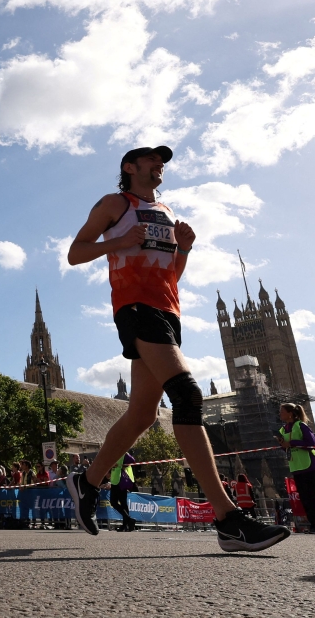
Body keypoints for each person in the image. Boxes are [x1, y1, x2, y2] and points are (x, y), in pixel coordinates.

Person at [64, 145, 290, 552]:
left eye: (163, 160)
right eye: (152, 159)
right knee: (186, 394)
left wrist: (184, 248)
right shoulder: (115, 203)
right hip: (134, 306)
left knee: (142, 414)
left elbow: (172, 275)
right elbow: (75, 253)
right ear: (130, 167)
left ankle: (87, 481)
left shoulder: (167, 212)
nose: (160, 165)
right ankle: (228, 520)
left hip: (168, 309)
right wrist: (116, 243)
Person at [278, 403, 315, 533]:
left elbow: (312, 444)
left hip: (308, 465)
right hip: (296, 466)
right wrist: (283, 445)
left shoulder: (301, 425)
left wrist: (292, 443)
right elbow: (288, 448)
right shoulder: (283, 429)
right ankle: (314, 525)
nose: (279, 414)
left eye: (282, 411)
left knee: (312, 496)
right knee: (304, 497)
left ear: (290, 413)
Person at [108, 453, 136, 531]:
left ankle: (126, 524)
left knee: (118, 503)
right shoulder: (113, 454)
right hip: (115, 480)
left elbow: (132, 460)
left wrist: (123, 465)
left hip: (120, 481)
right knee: (118, 503)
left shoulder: (123, 453)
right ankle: (128, 522)